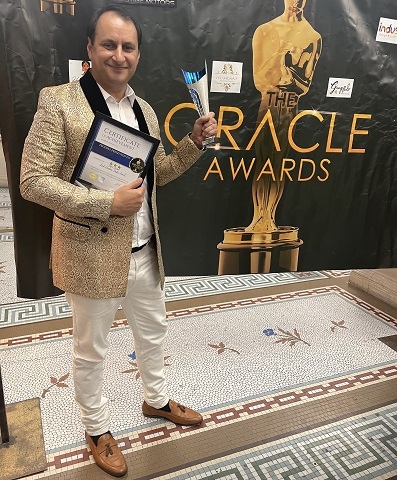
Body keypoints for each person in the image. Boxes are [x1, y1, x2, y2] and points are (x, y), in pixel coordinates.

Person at [20, 4, 217, 477]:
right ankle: (96, 428)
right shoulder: (60, 102)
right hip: (91, 254)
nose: (119, 55)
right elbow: (31, 181)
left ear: (138, 54)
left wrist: (191, 143)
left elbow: (157, 175)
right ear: (89, 49)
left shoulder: (143, 109)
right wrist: (106, 204)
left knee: (153, 334)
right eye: (108, 44)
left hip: (146, 252)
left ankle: (156, 400)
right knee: (91, 350)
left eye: (128, 46)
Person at [247, 0, 322, 233]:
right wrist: (283, 63)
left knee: (278, 163)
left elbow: (304, 85)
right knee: (262, 162)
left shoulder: (312, 36)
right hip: (267, 103)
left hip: (290, 106)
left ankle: (269, 216)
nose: (297, 1)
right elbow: (259, 79)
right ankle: (258, 216)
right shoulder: (265, 30)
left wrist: (288, 70)